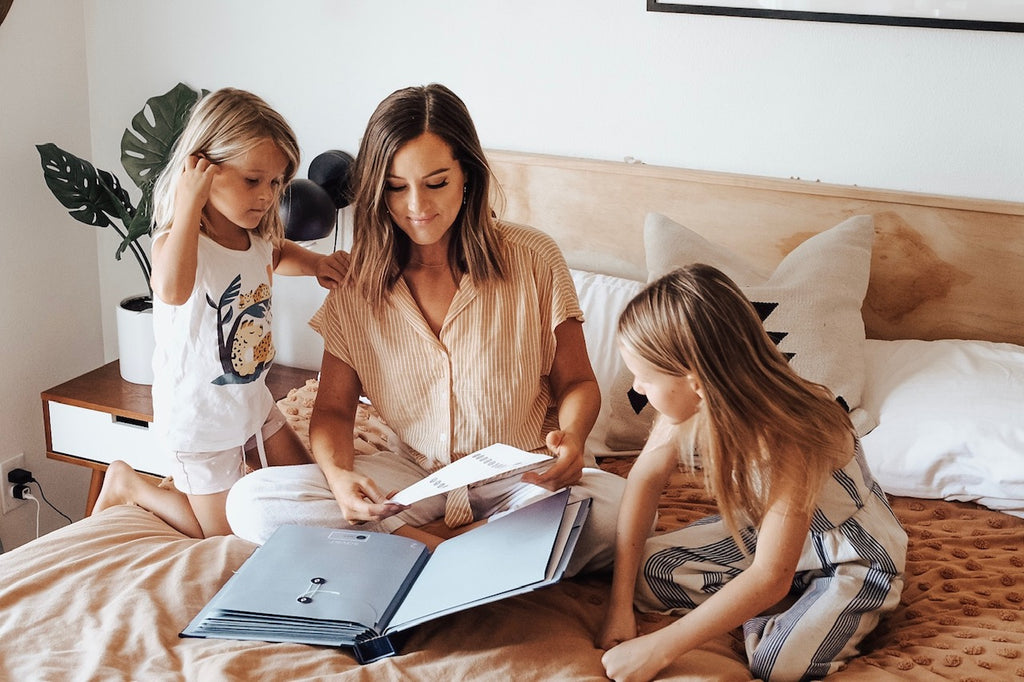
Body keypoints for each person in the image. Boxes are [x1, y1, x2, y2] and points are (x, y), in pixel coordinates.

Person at [225, 83, 624, 575]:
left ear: (467, 178)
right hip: (413, 477)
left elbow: (578, 382)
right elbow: (331, 410)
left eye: (436, 183)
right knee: (250, 502)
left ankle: (417, 551)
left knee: (617, 511)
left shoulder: (534, 258)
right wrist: (339, 476)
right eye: (396, 187)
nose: (417, 205)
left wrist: (574, 438)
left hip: (521, 475)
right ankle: (470, 554)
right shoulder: (357, 282)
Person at [597, 264, 907, 682]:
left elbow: (769, 577)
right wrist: (618, 608)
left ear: (696, 382)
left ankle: (785, 612)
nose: (636, 389)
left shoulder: (791, 436)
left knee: (777, 664)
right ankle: (772, 604)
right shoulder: (694, 407)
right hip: (771, 537)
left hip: (848, 554)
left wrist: (658, 648)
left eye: (645, 378)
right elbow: (645, 479)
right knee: (647, 573)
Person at [93, 88, 347, 539]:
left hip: (252, 404)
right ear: (203, 170)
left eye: (276, 182)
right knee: (223, 535)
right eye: (253, 181)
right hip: (200, 424)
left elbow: (274, 253)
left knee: (312, 490)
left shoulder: (253, 236)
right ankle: (129, 484)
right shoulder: (183, 241)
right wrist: (189, 200)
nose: (267, 196)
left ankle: (247, 463)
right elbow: (171, 288)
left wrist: (316, 265)